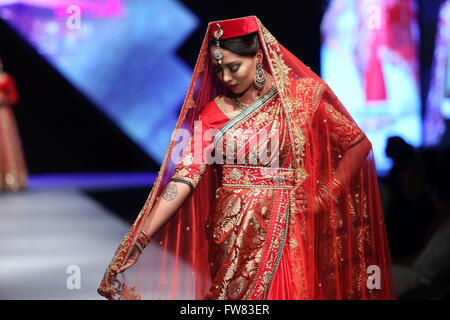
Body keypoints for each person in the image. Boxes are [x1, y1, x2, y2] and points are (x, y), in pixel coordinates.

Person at [98, 16, 396, 300]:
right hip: (229, 236)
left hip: (286, 228)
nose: (226, 78)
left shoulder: (302, 98)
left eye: (233, 66)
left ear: (259, 57)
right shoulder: (214, 112)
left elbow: (358, 144)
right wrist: (141, 237)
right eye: (218, 70)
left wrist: (322, 196)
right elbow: (184, 177)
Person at [0, 58, 27, 192]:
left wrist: (3, 99)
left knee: (7, 145)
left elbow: (14, 98)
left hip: (4, 115)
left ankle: (12, 179)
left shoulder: (6, 78)